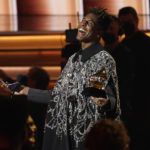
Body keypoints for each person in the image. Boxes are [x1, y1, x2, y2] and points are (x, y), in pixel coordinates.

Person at [0, 7, 121, 150]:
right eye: (83, 22)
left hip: (90, 135)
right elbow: (59, 95)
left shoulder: (102, 60)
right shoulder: (74, 59)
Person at [118, 6, 150, 150]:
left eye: (129, 22)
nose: (126, 25)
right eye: (123, 23)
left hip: (144, 100)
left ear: (137, 21)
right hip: (128, 101)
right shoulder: (121, 45)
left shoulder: (146, 43)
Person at [101, 15, 134, 127]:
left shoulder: (126, 54)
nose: (107, 31)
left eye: (111, 28)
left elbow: (127, 84)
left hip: (120, 109)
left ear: (118, 30)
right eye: (105, 28)